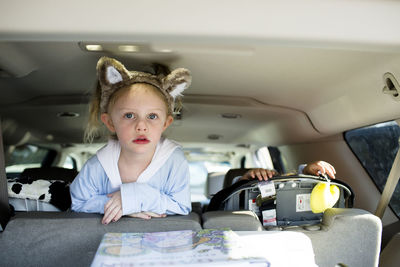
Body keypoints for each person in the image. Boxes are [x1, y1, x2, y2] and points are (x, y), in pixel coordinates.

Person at [70, 57, 192, 224]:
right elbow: (77, 202)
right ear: (110, 122)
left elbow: (181, 205)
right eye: (129, 115)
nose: (141, 126)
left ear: (165, 123)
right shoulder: (98, 164)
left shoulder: (174, 161)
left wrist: (134, 197)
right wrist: (121, 205)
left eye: (152, 116)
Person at [207, 161, 336, 211]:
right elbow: (214, 207)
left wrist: (307, 172)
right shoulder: (228, 205)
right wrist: (243, 182)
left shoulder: (305, 210)